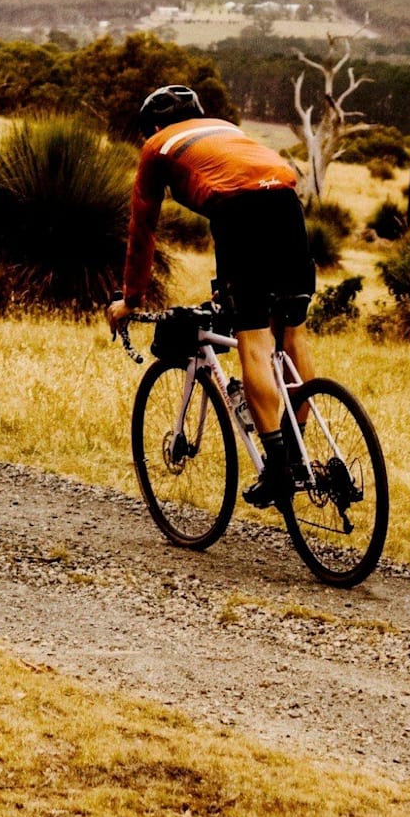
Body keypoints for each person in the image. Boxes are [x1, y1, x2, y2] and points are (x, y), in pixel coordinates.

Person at [106, 83, 319, 505]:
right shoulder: (224, 129)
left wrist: (130, 299)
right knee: (292, 332)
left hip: (238, 213)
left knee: (253, 341)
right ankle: (299, 450)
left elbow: (142, 229)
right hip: (285, 202)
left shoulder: (156, 147)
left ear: (154, 126)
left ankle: (277, 466)